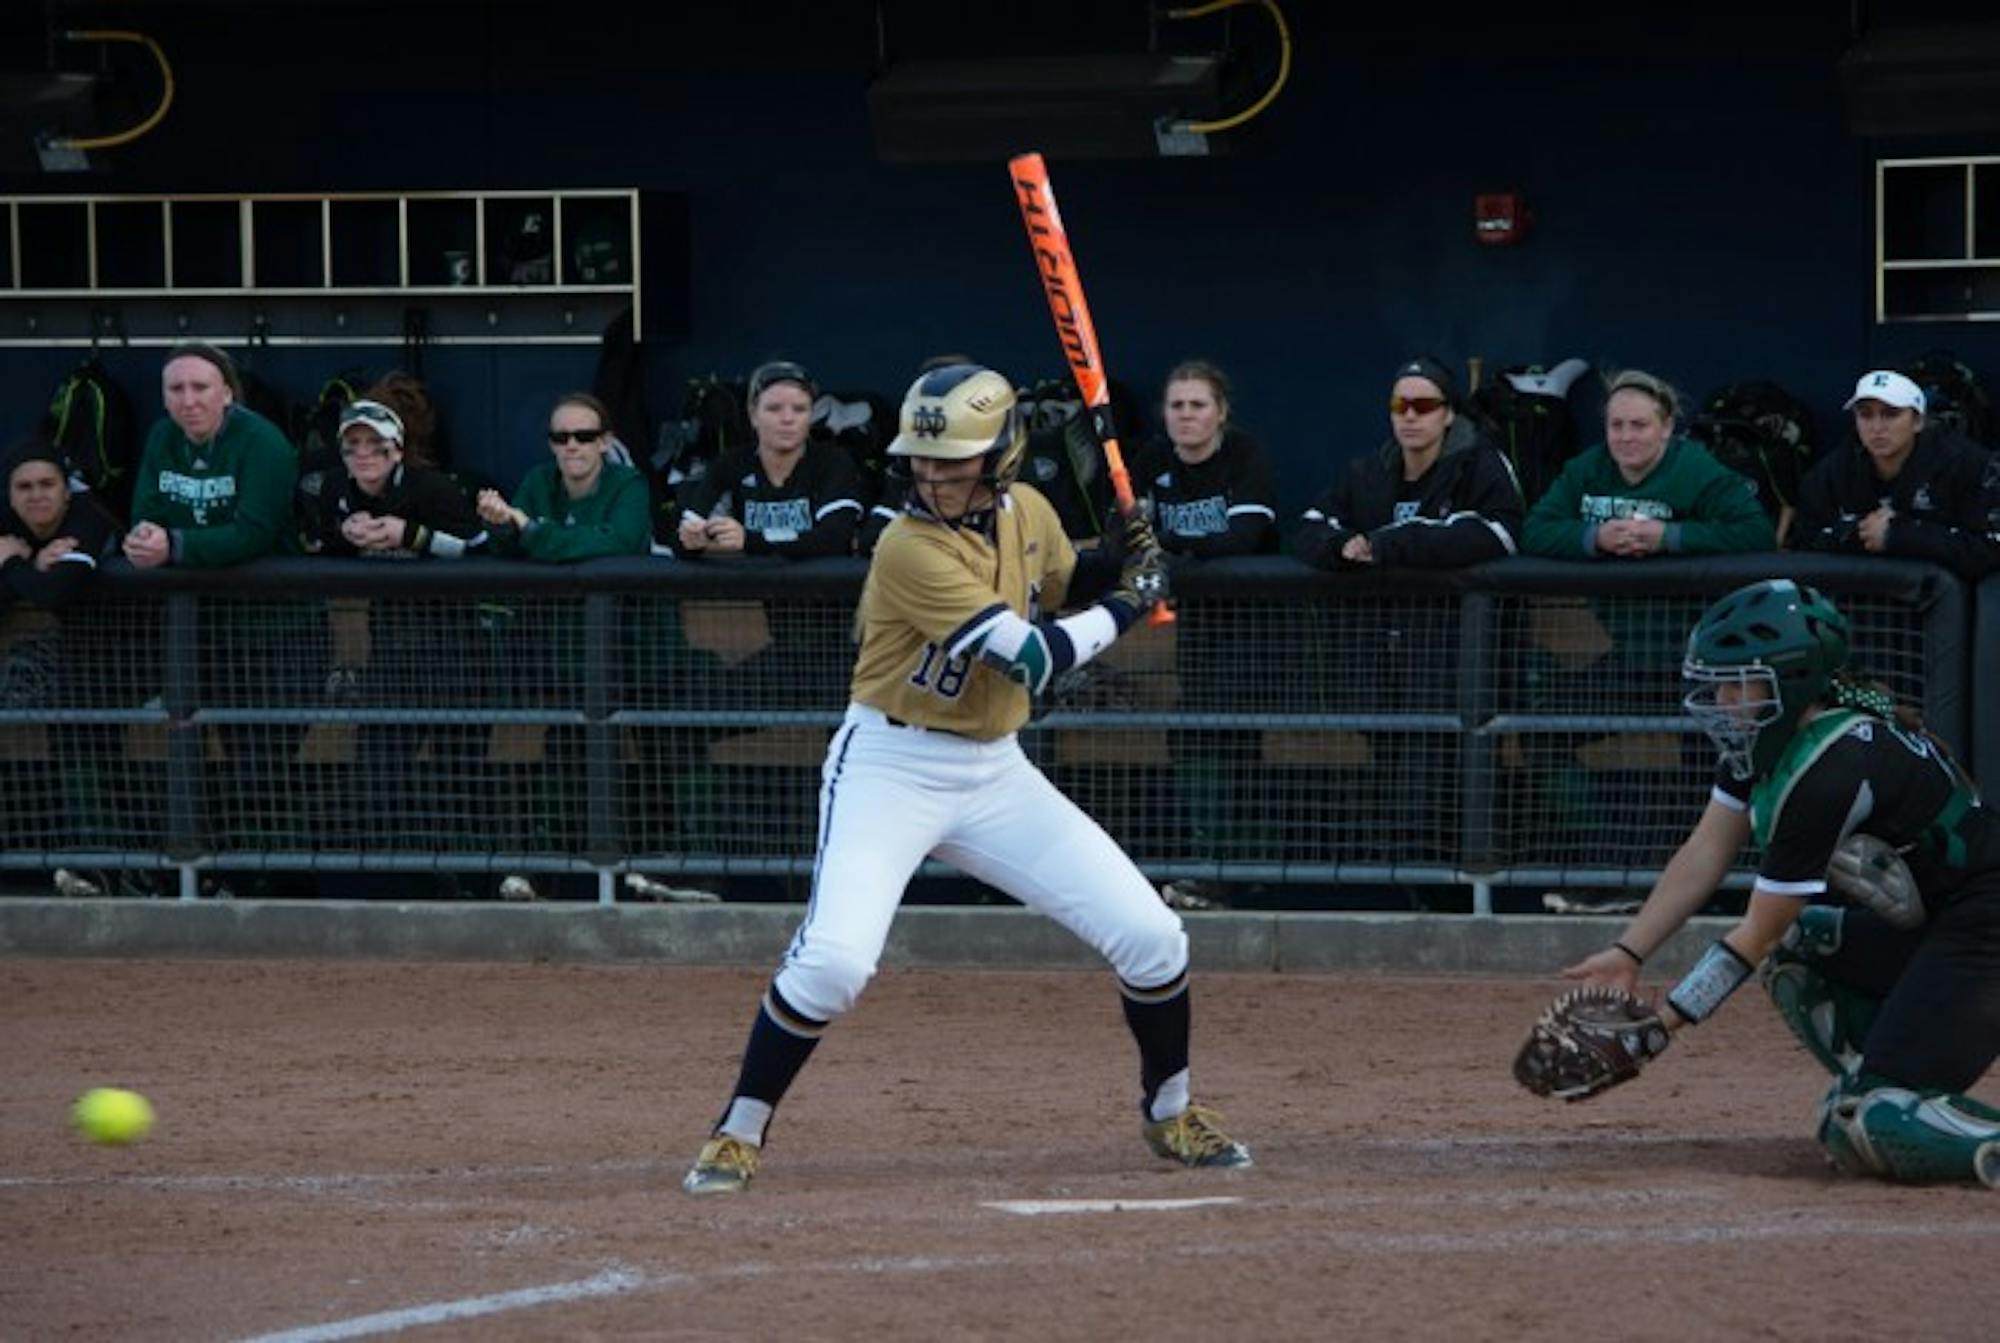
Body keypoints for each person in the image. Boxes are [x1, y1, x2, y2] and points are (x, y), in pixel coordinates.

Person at [681, 362, 1250, 1196]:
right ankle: (739, 1128)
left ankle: (1171, 1110)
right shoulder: (906, 545)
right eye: (924, 459)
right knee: (834, 966)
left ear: (1004, 456)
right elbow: (1032, 653)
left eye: (957, 460)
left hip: (993, 769)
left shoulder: (1028, 512)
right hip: (890, 764)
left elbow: (1058, 580)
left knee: (1155, 939)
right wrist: (1134, 602)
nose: (935, 475)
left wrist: (1125, 551)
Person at [1562, 579, 2000, 1187]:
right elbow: (1706, 848)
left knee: (1865, 1121)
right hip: (1946, 928)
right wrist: (1629, 950)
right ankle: (1891, 1073)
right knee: (1805, 951)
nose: (1718, 696)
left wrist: (1656, 1032)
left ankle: (1892, 1094)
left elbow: (1759, 933)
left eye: (1736, 681)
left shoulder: (1830, 769)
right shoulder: (1778, 736)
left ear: (1790, 680)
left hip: (1983, 935)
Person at [1296, 356, 1523, 569]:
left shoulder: (1478, 463)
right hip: (1377, 609)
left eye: (1424, 406)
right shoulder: (1367, 471)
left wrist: (1387, 545)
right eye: (1399, 406)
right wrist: (1342, 546)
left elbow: (1503, 534)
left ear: (1449, 414)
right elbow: (1310, 526)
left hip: (1449, 607)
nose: (1410, 416)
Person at [1521, 369, 1775, 560]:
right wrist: (1595, 537)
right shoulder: (1586, 468)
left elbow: (1758, 534)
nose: (1626, 437)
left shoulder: (1697, 469)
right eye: (1616, 425)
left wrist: (1670, 537)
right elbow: (1534, 531)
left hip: (1686, 614)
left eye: (1639, 425)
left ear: (1666, 427)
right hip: (1610, 618)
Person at [1791, 369, 2000, 580]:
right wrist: (1856, 534)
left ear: (1917, 421)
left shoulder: (1966, 464)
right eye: (1866, 414)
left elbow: (1990, 548)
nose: (1877, 427)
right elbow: (1803, 542)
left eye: (1891, 414)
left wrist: (1902, 536)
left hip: (1948, 603)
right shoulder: (1832, 471)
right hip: (1856, 601)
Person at [123, 342, 297, 570]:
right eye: (176, 389)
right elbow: (146, 513)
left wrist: (174, 545)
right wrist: (144, 539)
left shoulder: (263, 441)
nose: (188, 401)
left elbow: (254, 532)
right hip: (188, 594)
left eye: (200, 387)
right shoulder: (161, 435)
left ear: (226, 394)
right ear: (164, 398)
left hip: (268, 595)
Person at [673, 361, 864, 559]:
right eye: (774, 409)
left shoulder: (833, 461)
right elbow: (681, 538)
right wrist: (694, 538)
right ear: (753, 415)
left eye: (799, 409)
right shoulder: (730, 463)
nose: (788, 419)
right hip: (747, 587)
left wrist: (750, 541)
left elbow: (835, 540)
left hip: (819, 587)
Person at [299, 400, 485, 560]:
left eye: (376, 442)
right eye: (353, 443)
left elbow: (479, 551)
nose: (363, 453)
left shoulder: (433, 488)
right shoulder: (333, 485)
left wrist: (410, 535)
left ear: (398, 451)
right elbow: (320, 550)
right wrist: (345, 534)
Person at [476, 392, 651, 561]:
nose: (571, 445)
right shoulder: (538, 480)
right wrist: (502, 525)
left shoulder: (630, 484)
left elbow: (620, 542)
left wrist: (533, 531)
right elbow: (505, 550)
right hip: (546, 590)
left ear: (604, 442)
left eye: (584, 437)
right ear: (552, 445)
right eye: (561, 437)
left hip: (613, 589)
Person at [1131, 360, 1278, 559]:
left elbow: (1242, 540)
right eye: (1176, 405)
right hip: (1170, 582)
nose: (1186, 415)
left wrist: (1166, 541)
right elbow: (1126, 540)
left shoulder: (1245, 454)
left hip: (1242, 582)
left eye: (1198, 405)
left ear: (1221, 412)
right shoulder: (1151, 458)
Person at [1, 438, 119, 615]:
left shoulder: (88, 519)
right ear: (10, 497)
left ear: (66, 492)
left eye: (47, 484)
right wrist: (34, 567)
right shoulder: (6, 520)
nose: (36, 495)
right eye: (24, 487)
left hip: (122, 634)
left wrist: (10, 563)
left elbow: (55, 594)